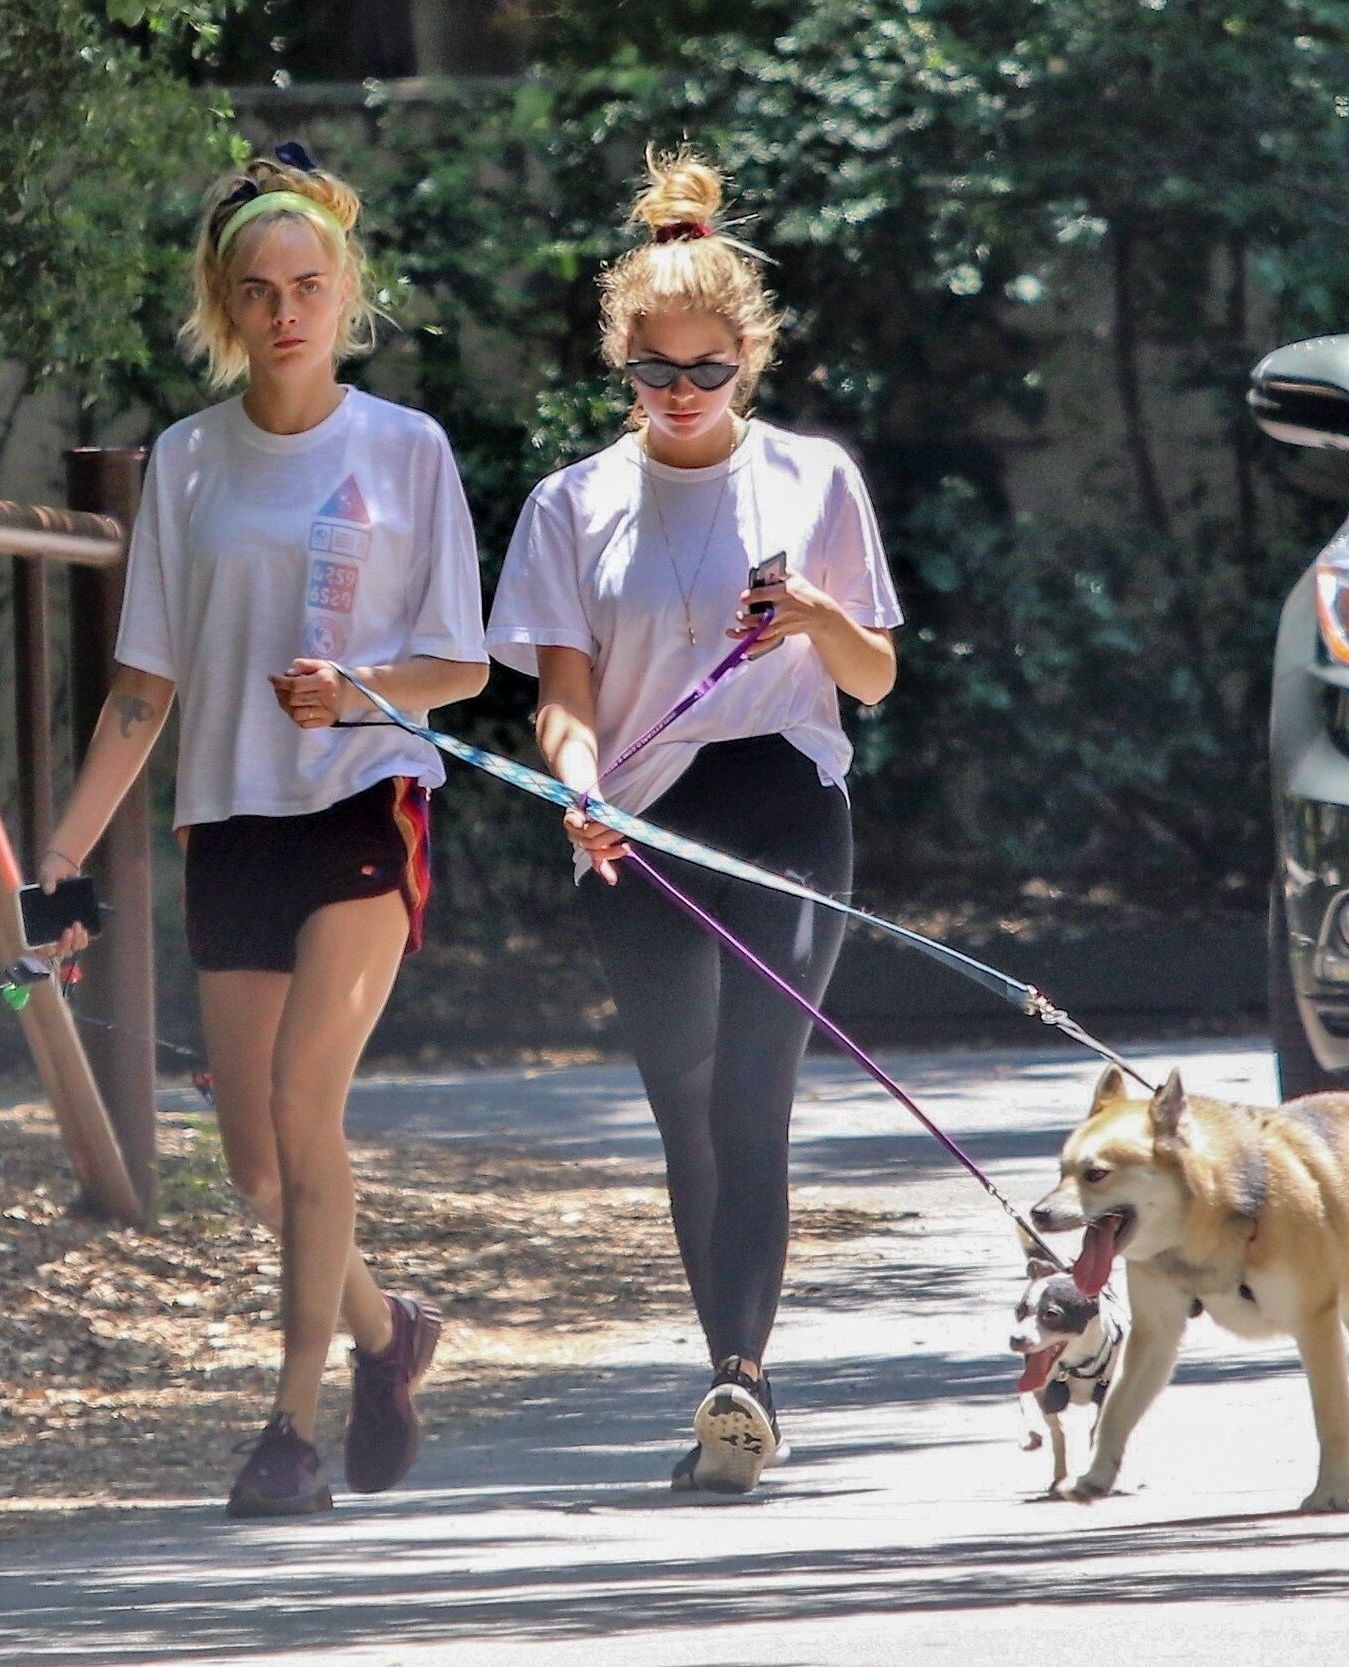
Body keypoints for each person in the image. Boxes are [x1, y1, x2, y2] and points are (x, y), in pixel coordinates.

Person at [36, 142, 489, 1518]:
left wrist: (362, 689)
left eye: (308, 285)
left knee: (304, 1107)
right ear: (224, 306)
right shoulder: (185, 462)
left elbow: (462, 666)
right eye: (258, 290)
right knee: (250, 1159)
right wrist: (60, 857)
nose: (286, 311)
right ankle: (388, 1331)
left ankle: (290, 1430)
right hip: (228, 818)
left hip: (364, 799)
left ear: (346, 292)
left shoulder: (407, 449)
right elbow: (144, 687)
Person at [485, 148, 902, 1495]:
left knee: (750, 1097)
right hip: (637, 821)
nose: (679, 393)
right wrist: (578, 790)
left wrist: (816, 616)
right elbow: (561, 698)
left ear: (750, 359)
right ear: (623, 361)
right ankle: (731, 1370)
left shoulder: (813, 480)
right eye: (654, 369)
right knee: (684, 1110)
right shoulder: (571, 504)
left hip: (784, 798)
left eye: (706, 369)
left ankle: (740, 1379)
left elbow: (874, 677)